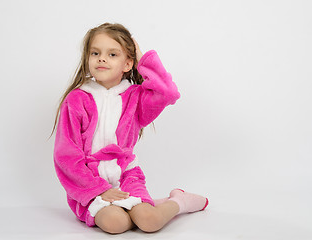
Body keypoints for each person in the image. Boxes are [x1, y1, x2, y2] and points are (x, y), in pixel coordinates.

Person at [52, 22, 208, 234]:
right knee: (114, 224)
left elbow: (168, 93)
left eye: (113, 54)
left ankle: (178, 202)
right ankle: (143, 205)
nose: (102, 58)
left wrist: (143, 60)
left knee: (150, 222)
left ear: (128, 64)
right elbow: (66, 156)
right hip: (89, 182)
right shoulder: (76, 100)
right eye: (95, 52)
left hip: (126, 176)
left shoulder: (136, 97)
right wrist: (99, 190)